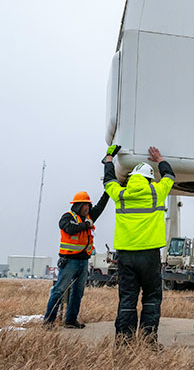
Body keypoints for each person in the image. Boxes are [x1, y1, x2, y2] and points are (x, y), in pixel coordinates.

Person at [103, 146, 174, 345]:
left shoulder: (121, 195)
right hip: (150, 254)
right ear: (149, 179)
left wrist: (109, 158)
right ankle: (148, 341)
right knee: (151, 298)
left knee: (127, 298)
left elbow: (109, 181)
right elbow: (170, 175)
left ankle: (124, 342)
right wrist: (159, 158)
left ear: (132, 176)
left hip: (126, 255)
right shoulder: (157, 192)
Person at [43, 190, 109, 328]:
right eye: (85, 205)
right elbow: (69, 229)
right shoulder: (67, 217)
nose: (88, 208)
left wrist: (108, 191)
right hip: (69, 261)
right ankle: (48, 321)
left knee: (78, 292)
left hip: (83, 261)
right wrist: (86, 225)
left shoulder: (89, 217)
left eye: (89, 206)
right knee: (59, 290)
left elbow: (100, 206)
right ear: (78, 205)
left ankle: (71, 320)